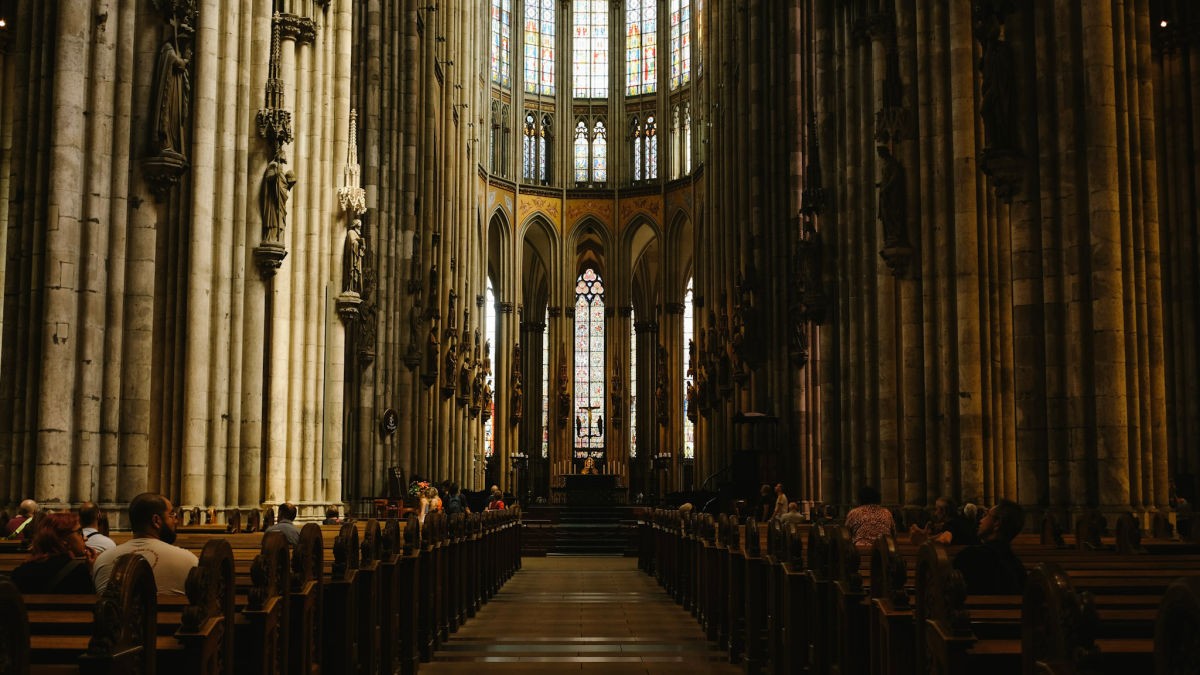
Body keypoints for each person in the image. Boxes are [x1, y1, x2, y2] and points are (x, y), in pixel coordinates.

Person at [93, 493, 198, 595]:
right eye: (172, 515)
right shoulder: (188, 560)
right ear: (156, 521)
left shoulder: (103, 560)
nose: (176, 521)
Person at [952, 499, 1027, 595]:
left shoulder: (969, 557)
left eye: (986, 515)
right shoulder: (1018, 567)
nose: (981, 520)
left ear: (997, 523)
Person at [9, 511, 95, 594]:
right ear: (64, 539)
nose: (85, 538)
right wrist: (91, 571)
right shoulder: (78, 574)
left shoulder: (21, 572)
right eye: (79, 532)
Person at [910, 497, 977, 546]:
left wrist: (923, 542)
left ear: (944, 511)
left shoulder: (951, 525)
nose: (935, 513)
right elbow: (940, 535)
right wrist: (924, 534)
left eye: (937, 509)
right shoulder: (959, 521)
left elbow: (946, 539)